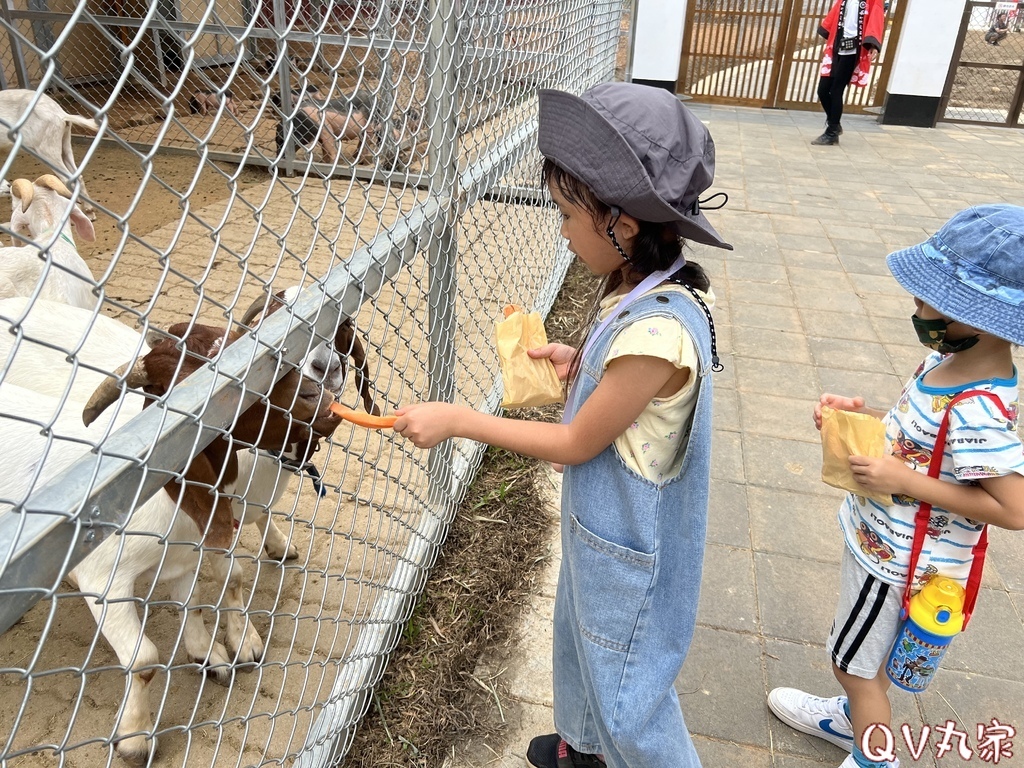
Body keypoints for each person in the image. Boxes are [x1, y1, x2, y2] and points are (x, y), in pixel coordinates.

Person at [393, 82, 733, 768]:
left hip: (629, 551)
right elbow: (634, 393)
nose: (560, 229)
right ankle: (583, 749)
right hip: (602, 535)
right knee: (581, 642)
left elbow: (578, 442)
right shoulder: (648, 286)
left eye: (566, 214)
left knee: (627, 686)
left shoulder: (659, 328)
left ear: (622, 224)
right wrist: (582, 365)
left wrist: (464, 421)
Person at [767, 204, 1024, 768]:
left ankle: (872, 755)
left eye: (928, 297)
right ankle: (852, 718)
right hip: (885, 541)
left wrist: (904, 479)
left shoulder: (978, 406)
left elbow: (1013, 507)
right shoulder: (944, 361)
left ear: (975, 315)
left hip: (901, 566)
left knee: (853, 668)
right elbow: (923, 438)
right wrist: (859, 421)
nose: (916, 304)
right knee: (868, 661)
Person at [812, 0, 886, 146]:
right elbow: (834, 17)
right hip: (836, 46)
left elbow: (876, 19)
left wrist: (874, 45)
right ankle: (835, 125)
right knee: (823, 90)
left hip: (852, 51)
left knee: (836, 91)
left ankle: (832, 132)